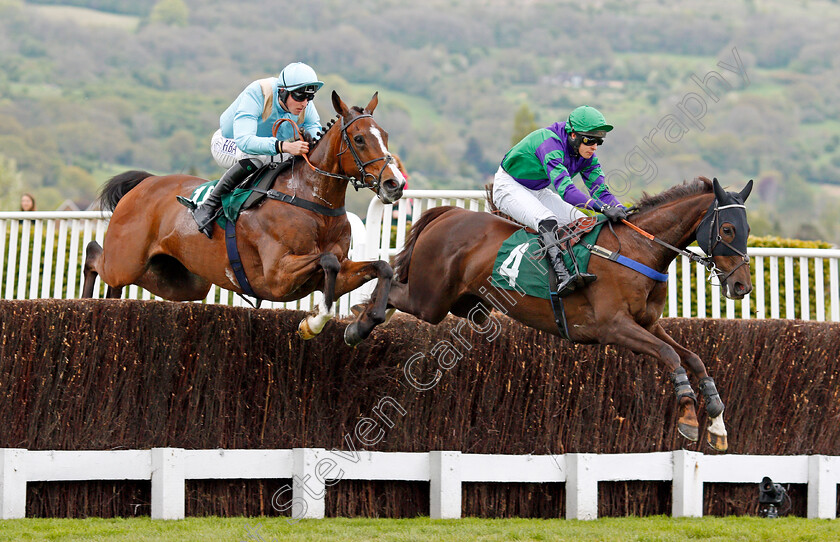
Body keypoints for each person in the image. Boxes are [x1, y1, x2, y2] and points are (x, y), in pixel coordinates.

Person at [492, 105, 627, 297]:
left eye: (599, 141)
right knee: (547, 220)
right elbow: (568, 192)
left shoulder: (587, 156)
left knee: (583, 223)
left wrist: (621, 209)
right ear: (573, 135)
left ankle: (580, 271)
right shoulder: (549, 144)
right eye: (589, 140)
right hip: (508, 185)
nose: (594, 147)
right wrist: (604, 209)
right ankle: (562, 276)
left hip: (538, 189)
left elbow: (600, 191)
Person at [188, 62, 325, 238]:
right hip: (229, 143)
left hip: (267, 149)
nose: (305, 103)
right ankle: (207, 206)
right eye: (300, 97)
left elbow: (316, 133)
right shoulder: (259, 92)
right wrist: (285, 146)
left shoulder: (304, 103)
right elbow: (245, 141)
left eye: (310, 97)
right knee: (257, 156)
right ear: (282, 91)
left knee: (294, 160)